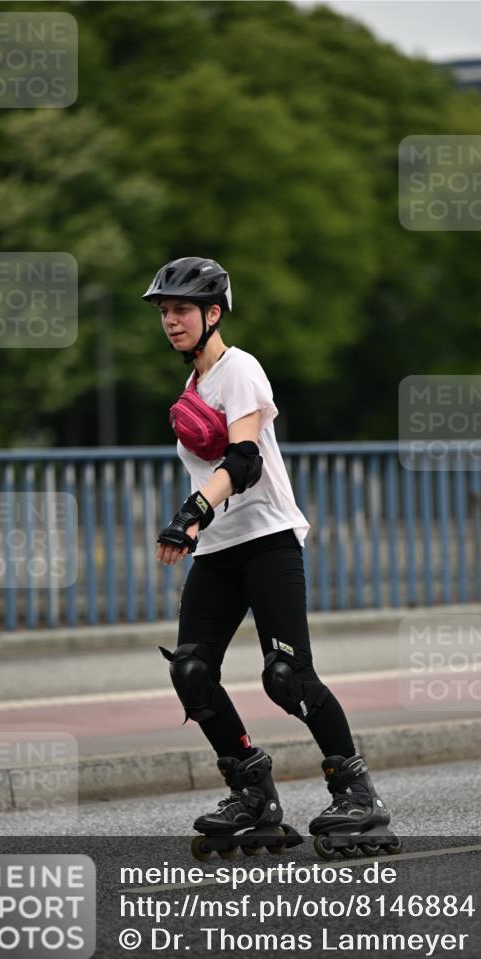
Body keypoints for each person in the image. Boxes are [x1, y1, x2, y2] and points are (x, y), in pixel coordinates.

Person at [142, 256, 399, 859]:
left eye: (181, 310)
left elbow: (244, 461)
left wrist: (190, 514)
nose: (171, 321)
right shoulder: (192, 388)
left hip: (269, 541)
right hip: (221, 552)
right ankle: (252, 792)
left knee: (286, 676)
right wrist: (201, 524)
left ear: (212, 313)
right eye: (164, 312)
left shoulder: (240, 370)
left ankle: (356, 793)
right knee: (191, 671)